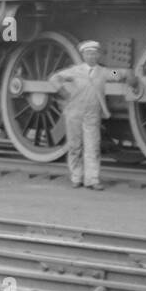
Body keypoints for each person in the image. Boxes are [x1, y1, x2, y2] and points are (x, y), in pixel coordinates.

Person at [48, 41, 112, 190]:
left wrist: (125, 74)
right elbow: (54, 77)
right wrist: (63, 92)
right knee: (75, 146)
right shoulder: (75, 70)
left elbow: (116, 74)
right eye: (88, 53)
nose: (91, 56)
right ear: (83, 55)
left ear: (98, 55)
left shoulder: (103, 71)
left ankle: (92, 179)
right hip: (74, 112)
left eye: (94, 53)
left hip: (92, 114)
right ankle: (76, 177)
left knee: (92, 147)